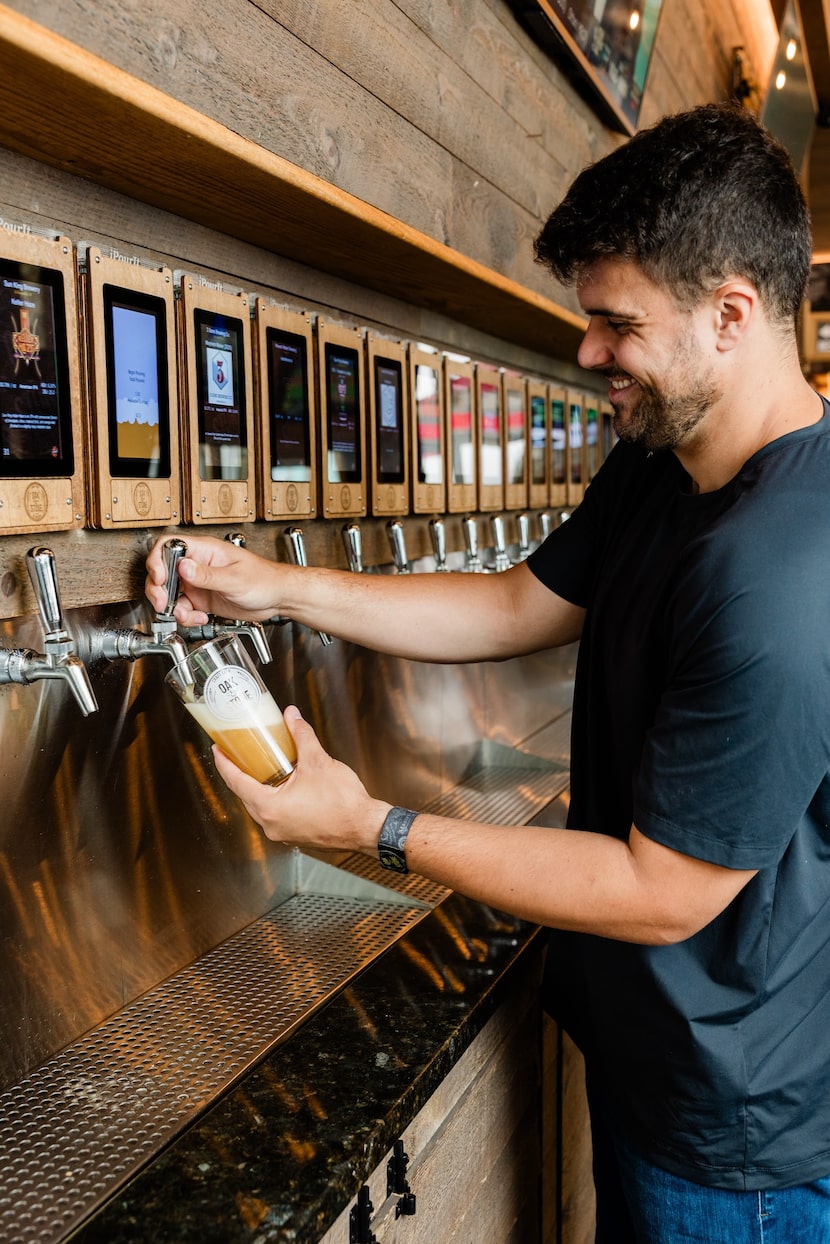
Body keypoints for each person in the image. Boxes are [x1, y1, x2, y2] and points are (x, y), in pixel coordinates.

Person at [146, 103, 830, 1242]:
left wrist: (369, 823)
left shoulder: (781, 577)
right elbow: (520, 600)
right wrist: (276, 584)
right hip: (663, 1065)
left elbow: (664, 890)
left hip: (735, 1136)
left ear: (729, 315)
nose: (585, 353)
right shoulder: (663, 461)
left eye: (614, 324)